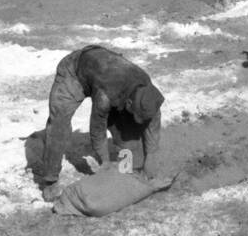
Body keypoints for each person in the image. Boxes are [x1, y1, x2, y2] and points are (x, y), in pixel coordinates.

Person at [38, 43, 164, 200]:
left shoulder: (147, 91)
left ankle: (124, 170)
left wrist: (151, 157)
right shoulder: (105, 97)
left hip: (108, 71)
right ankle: (50, 180)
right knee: (59, 122)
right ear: (129, 103)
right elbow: (97, 129)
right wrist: (104, 161)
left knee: (127, 133)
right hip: (75, 71)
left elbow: (152, 122)